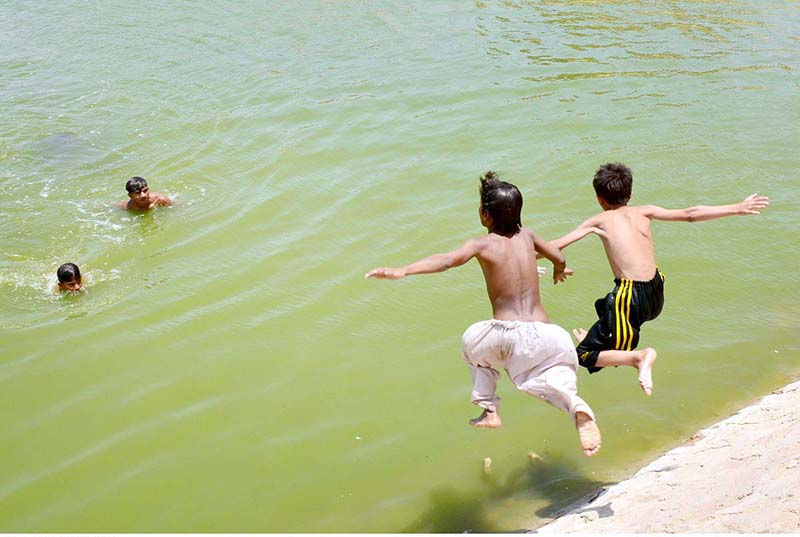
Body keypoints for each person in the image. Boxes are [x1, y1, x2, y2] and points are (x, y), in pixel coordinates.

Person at [366, 171, 601, 457]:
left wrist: (403, 270)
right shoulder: (528, 236)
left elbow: (446, 261)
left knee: (473, 347)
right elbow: (559, 256)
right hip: (549, 336)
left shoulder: (482, 244)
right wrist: (558, 271)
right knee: (551, 379)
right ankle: (576, 407)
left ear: (485, 214)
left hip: (505, 334)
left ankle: (490, 409)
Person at [548, 162, 770, 395]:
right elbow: (690, 214)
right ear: (630, 193)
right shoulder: (645, 211)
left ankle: (639, 357)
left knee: (584, 356)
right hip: (655, 293)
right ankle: (605, 340)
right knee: (604, 305)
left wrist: (526, 259)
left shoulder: (598, 221)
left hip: (629, 298)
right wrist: (737, 207)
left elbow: (554, 246)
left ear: (599, 199)